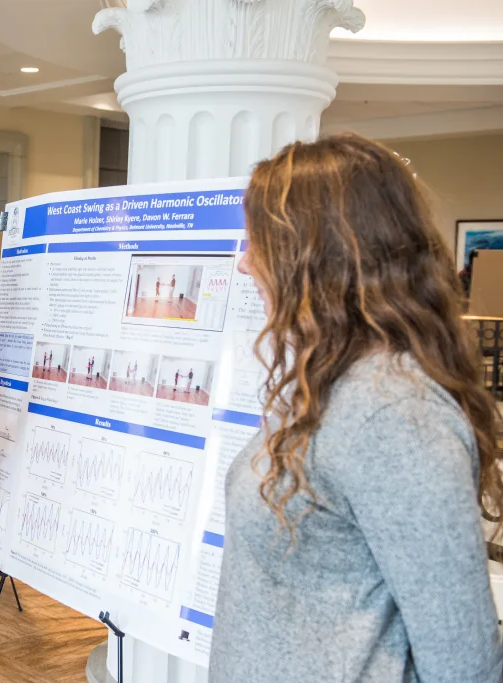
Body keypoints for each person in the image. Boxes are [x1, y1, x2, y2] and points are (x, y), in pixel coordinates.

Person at [210, 134, 503, 682]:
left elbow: (462, 655)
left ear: (318, 256)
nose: (246, 263)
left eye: (259, 244)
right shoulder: (328, 379)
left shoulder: (392, 413)